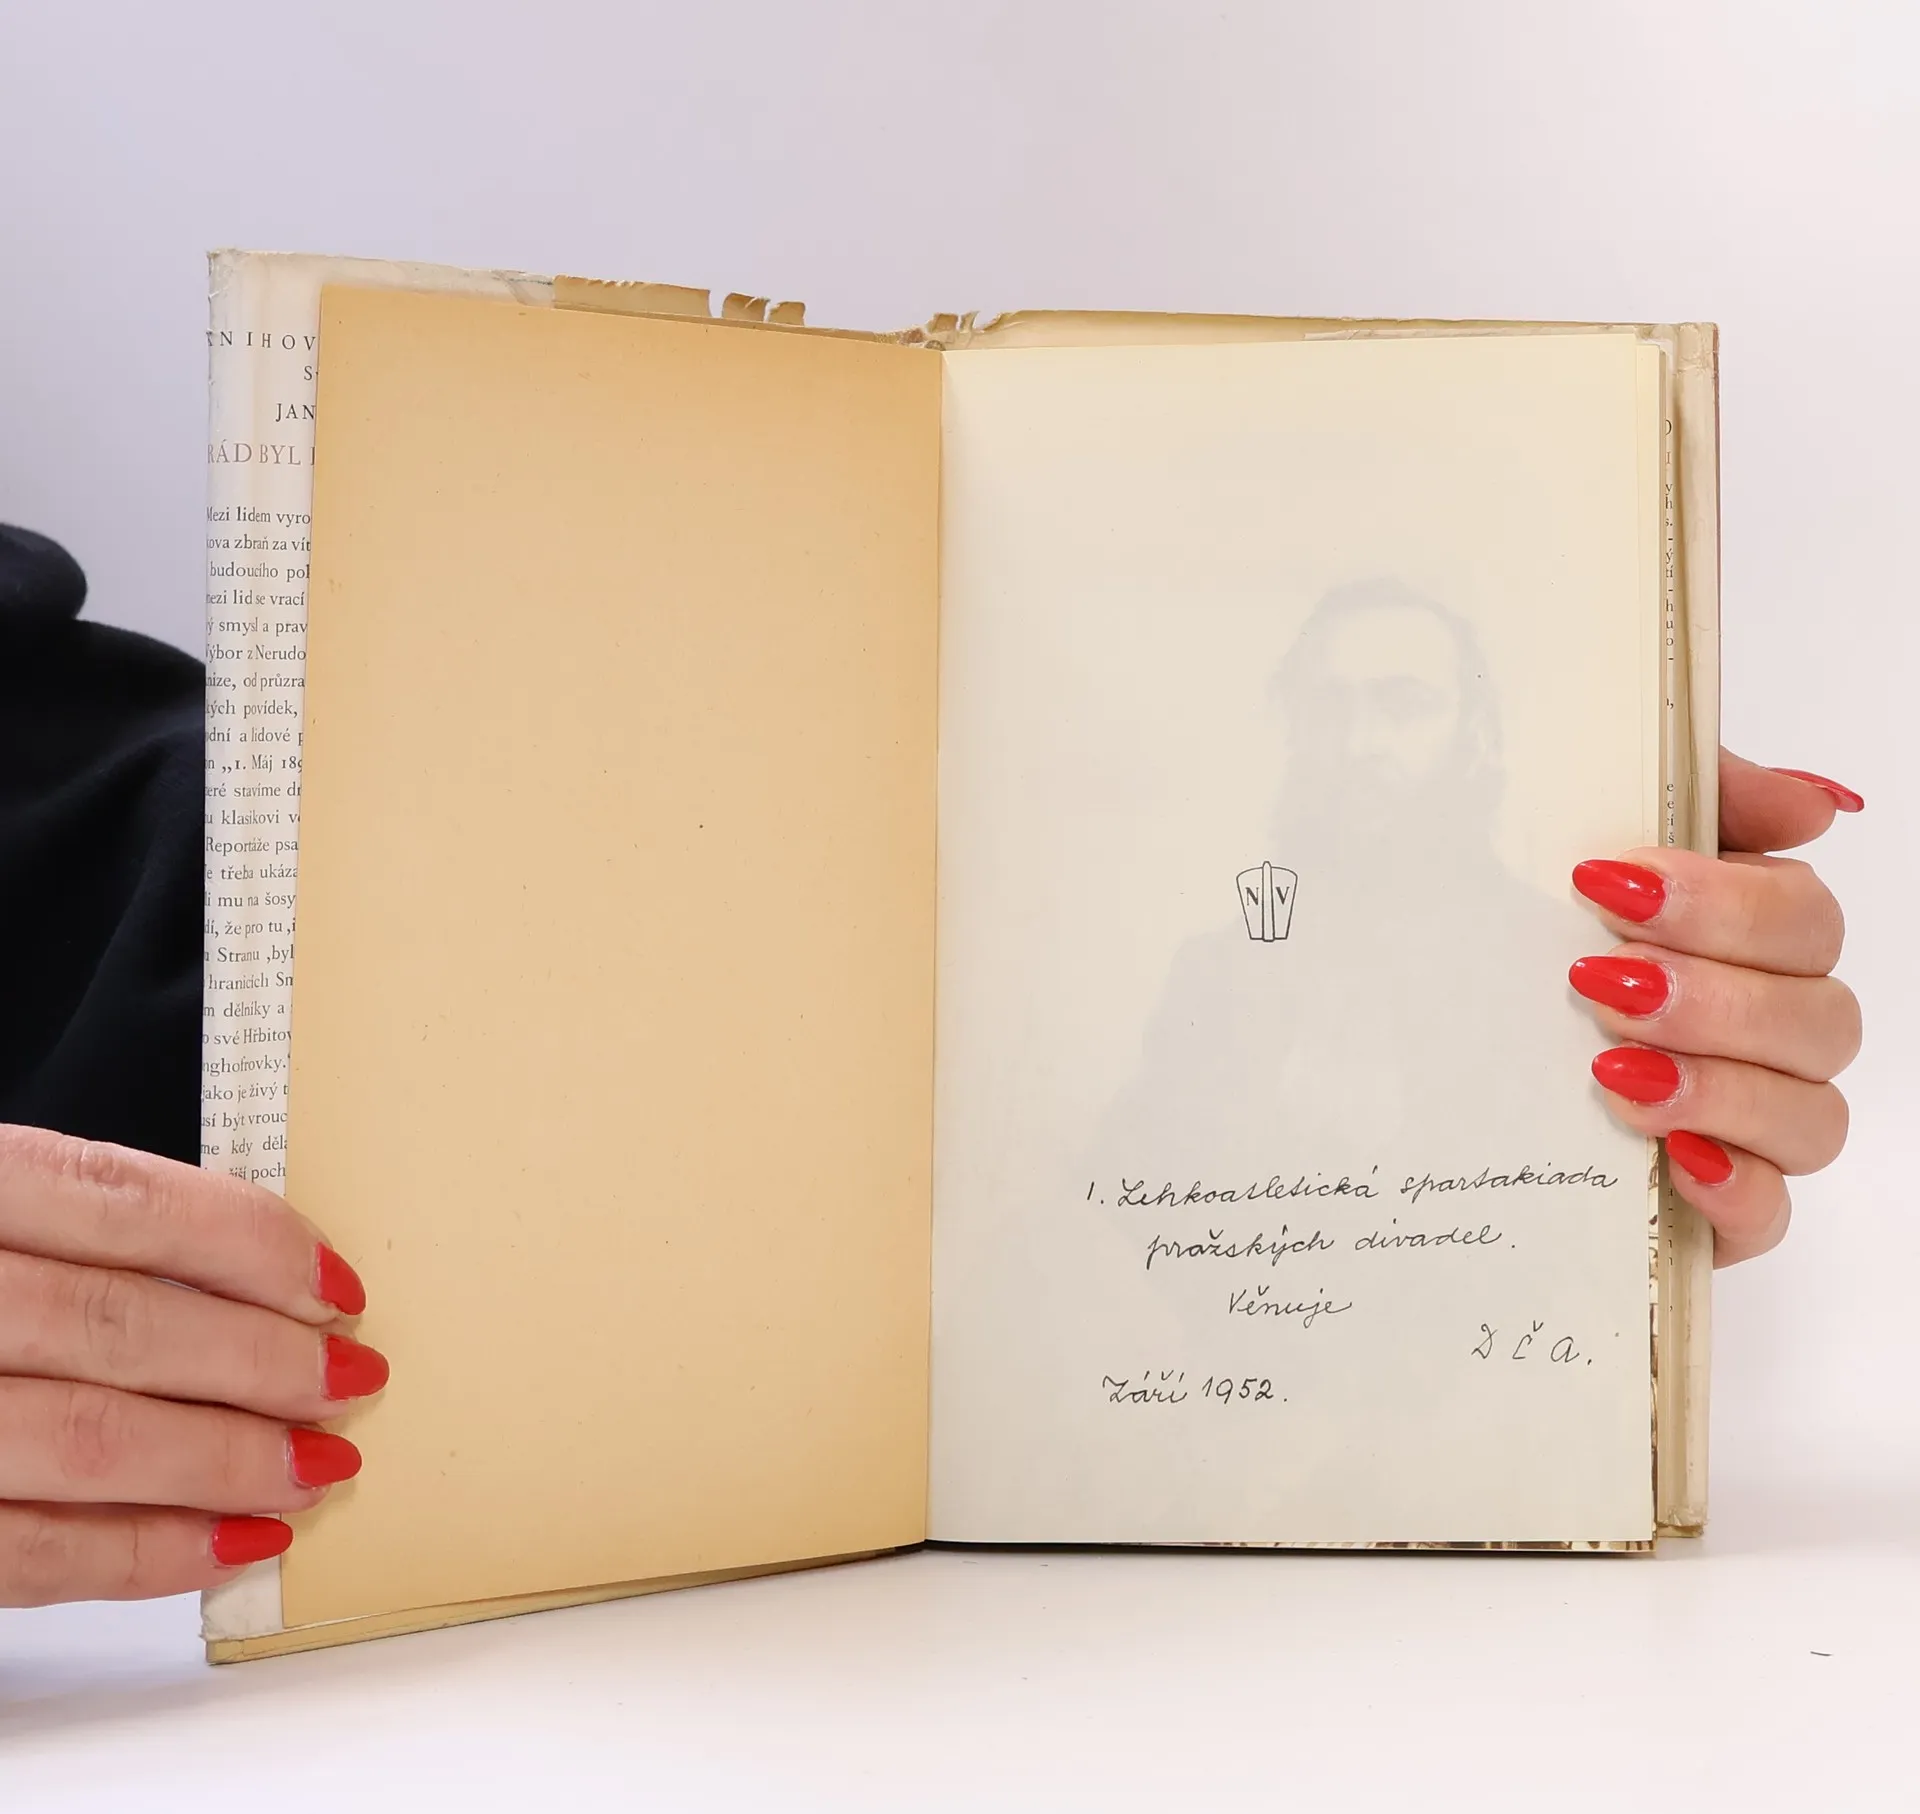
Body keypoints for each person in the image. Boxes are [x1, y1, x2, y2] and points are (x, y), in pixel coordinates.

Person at [0, 529, 1861, 1606]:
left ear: (1477, 736)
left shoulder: (1535, 959)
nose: (1368, 746)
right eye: (1335, 704)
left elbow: (104, 809)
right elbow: (1119, 1207)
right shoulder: (1215, 974)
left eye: (1410, 705)